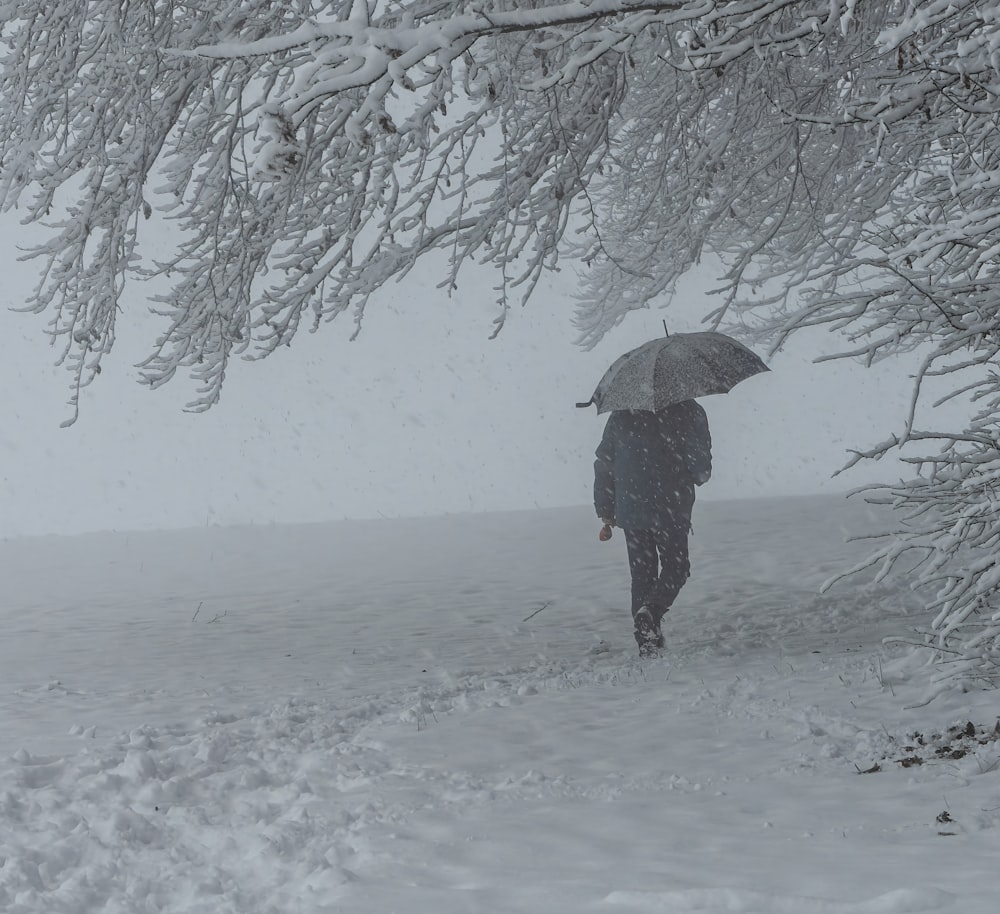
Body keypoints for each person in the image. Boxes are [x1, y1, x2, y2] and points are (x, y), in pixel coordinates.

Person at [593, 400, 712, 656]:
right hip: (672, 506)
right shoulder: (689, 410)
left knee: (642, 575)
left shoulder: (622, 414)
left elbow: (604, 461)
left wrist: (606, 509)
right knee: (677, 567)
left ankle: (647, 642)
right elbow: (700, 468)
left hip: (631, 507)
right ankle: (652, 612)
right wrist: (693, 473)